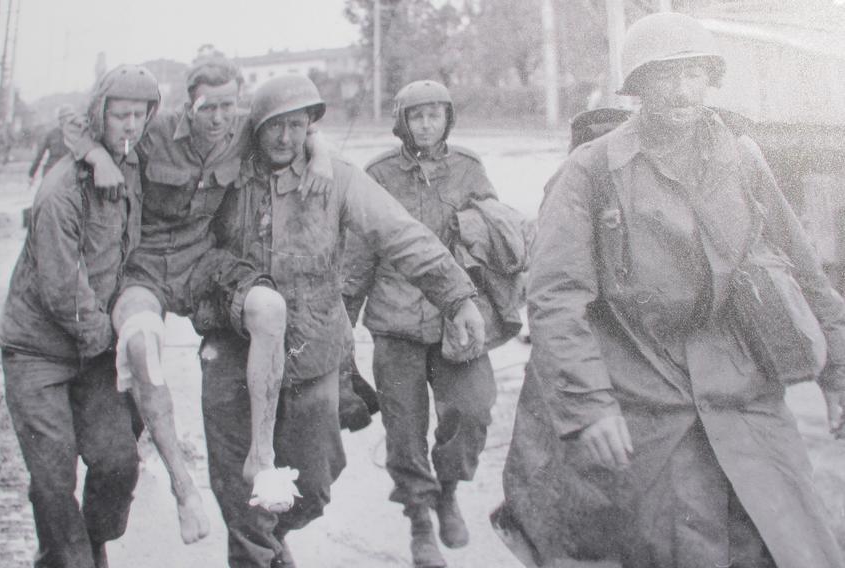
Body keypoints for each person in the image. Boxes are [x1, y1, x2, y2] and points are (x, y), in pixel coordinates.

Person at [493, 12, 845, 568]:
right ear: (639, 87)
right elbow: (556, 299)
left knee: (790, 544)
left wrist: (837, 374)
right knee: (684, 548)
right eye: (666, 76)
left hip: (744, 388)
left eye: (695, 74)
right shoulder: (591, 171)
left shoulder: (742, 157)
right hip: (648, 395)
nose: (683, 90)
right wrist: (591, 407)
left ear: (711, 80)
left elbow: (802, 267)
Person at [199, 73, 486, 568]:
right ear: (256, 127)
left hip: (310, 350)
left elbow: (400, 234)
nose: (286, 138)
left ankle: (271, 534)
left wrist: (457, 295)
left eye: (297, 125)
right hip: (233, 353)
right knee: (241, 492)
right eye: (274, 127)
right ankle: (260, 552)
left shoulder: (336, 178)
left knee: (316, 484)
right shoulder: (226, 176)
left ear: (311, 126)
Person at [63, 55, 335, 541]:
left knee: (269, 309)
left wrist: (321, 151)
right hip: (142, 267)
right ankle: (183, 489)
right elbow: (77, 123)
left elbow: (293, 128)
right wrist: (97, 155)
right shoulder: (154, 132)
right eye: (209, 107)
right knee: (143, 346)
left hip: (202, 263)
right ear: (190, 103)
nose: (218, 118)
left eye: (228, 106)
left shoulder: (242, 130)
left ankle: (262, 458)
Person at [0, 64, 160, 568]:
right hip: (38, 351)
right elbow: (62, 289)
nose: (130, 125)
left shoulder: (130, 166)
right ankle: (69, 559)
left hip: (92, 350)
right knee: (52, 478)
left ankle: (88, 544)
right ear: (100, 116)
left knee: (118, 462)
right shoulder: (62, 189)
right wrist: (116, 350)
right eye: (120, 115)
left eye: (140, 115)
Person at [342, 80, 503, 568]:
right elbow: (357, 257)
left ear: (448, 119)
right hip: (396, 321)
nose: (427, 124)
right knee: (404, 430)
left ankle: (448, 490)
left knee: (473, 411)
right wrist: (342, 333)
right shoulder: (378, 174)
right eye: (417, 116)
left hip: (456, 318)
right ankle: (419, 521)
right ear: (402, 122)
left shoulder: (469, 169)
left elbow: (495, 240)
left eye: (436, 115)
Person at [28, 105, 75, 185]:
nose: (68, 120)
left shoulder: (76, 134)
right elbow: (40, 155)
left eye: (70, 117)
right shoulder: (51, 134)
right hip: (52, 170)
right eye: (65, 117)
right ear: (60, 119)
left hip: (69, 170)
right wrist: (32, 174)